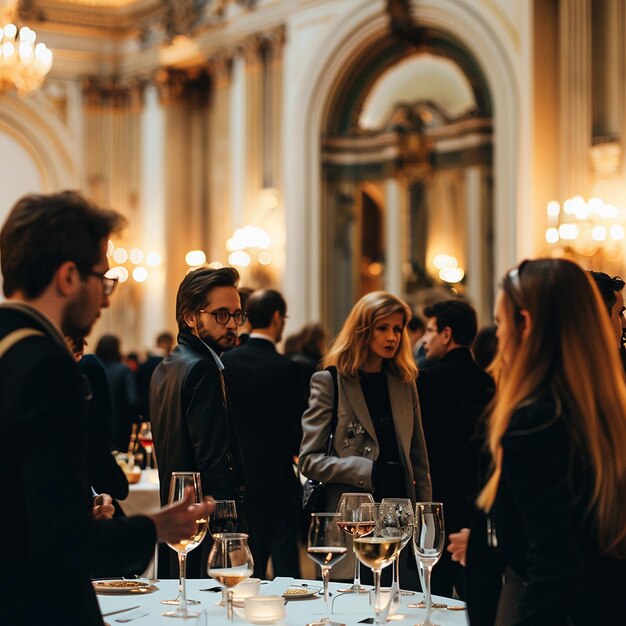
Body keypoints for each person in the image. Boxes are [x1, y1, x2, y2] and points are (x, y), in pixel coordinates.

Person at [0, 191, 211, 625]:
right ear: (68, 277)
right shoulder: (49, 368)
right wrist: (154, 527)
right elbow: (62, 544)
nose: (107, 299)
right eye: (104, 279)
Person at [466, 258, 626, 625]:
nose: (498, 334)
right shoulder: (601, 411)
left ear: (525, 325)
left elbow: (554, 566)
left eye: (501, 321)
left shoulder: (537, 422)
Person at [299, 291, 432, 581]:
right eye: (382, 328)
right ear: (362, 331)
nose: (392, 337)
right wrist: (366, 471)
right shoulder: (330, 381)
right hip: (351, 521)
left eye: (397, 329)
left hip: (399, 519)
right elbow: (309, 460)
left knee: (398, 606)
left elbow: (418, 459)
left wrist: (425, 520)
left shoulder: (404, 382)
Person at [150, 266, 248, 579]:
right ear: (191, 317)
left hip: (177, 517)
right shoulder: (202, 369)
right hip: (204, 528)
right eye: (221, 315)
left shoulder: (168, 365)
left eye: (237, 314)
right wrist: (229, 535)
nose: (232, 325)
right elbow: (213, 458)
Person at [221, 289, 302, 578]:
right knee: (285, 568)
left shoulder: (227, 363)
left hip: (242, 481)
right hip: (278, 479)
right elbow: (297, 426)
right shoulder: (287, 367)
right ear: (278, 317)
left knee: (248, 568)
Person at [418, 299, 494, 598]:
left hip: (436, 500)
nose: (425, 339)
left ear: (446, 334)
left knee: (434, 592)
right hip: (477, 500)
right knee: (474, 593)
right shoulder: (487, 382)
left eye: (430, 330)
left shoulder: (427, 381)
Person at [95, 333, 141, 450]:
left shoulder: (93, 368)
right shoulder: (123, 370)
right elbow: (132, 400)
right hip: (119, 427)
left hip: (95, 426)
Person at [135, 330, 174, 422]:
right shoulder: (171, 365)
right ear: (169, 345)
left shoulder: (143, 365)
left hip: (145, 411)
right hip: (165, 413)